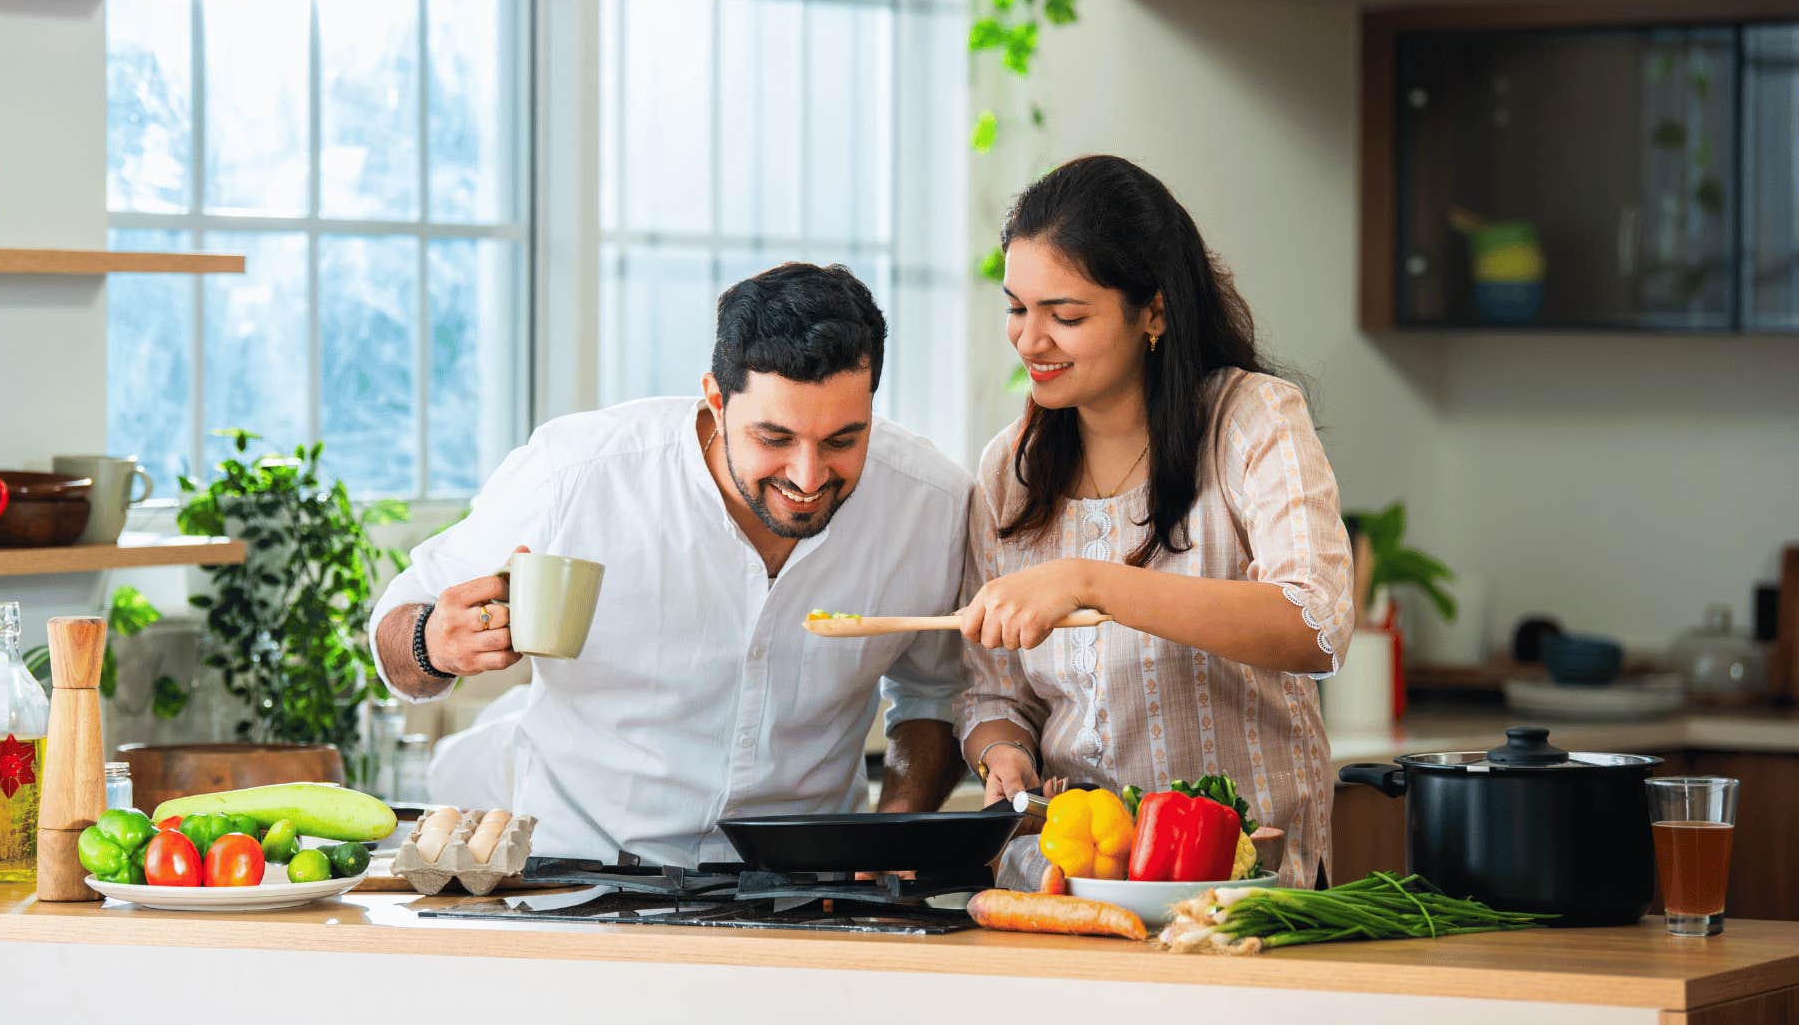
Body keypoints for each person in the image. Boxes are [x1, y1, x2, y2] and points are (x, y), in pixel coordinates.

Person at [369, 263, 972, 867]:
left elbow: (934, 696)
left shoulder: (931, 504)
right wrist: (432, 643)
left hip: (808, 882)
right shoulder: (576, 472)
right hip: (577, 870)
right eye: (773, 438)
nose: (808, 476)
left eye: (843, 440)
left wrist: (893, 836)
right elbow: (396, 633)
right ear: (715, 398)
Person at [956, 156, 1354, 889]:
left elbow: (1316, 623)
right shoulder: (1007, 470)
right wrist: (1001, 751)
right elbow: (993, 692)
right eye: (1017, 308)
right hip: (1074, 879)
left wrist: (1089, 583)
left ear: (1156, 312)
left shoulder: (1251, 420)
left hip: (1247, 883)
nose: (1029, 340)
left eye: (1065, 316)